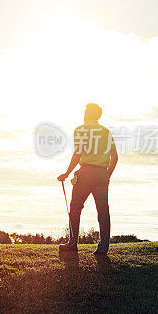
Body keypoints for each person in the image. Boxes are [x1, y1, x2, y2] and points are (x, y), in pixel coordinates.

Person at [57, 103, 118, 255]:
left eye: (85, 111)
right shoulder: (106, 132)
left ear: (87, 114)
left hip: (85, 173)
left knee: (75, 207)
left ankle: (72, 243)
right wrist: (107, 175)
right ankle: (103, 247)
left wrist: (66, 173)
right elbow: (115, 158)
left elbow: (77, 154)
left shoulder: (81, 130)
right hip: (102, 174)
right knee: (103, 211)